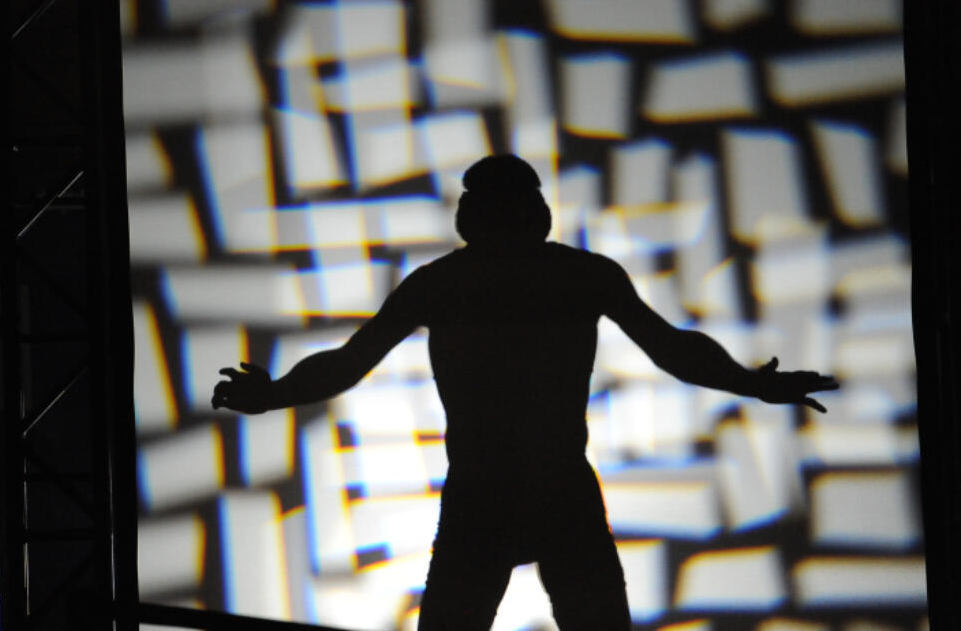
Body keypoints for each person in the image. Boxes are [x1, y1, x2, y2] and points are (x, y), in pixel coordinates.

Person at [212, 154, 838, 631]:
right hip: (533, 490)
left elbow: (349, 362)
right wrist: (753, 383)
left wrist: (753, 383)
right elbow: (672, 347)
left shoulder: (461, 282)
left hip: (504, 490)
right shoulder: (564, 276)